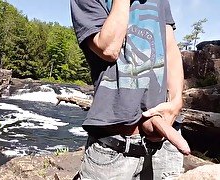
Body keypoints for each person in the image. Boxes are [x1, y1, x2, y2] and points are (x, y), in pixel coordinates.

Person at [70, 0, 187, 179]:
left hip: (166, 146)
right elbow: (109, 48)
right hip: (113, 151)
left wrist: (177, 101)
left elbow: (170, 48)